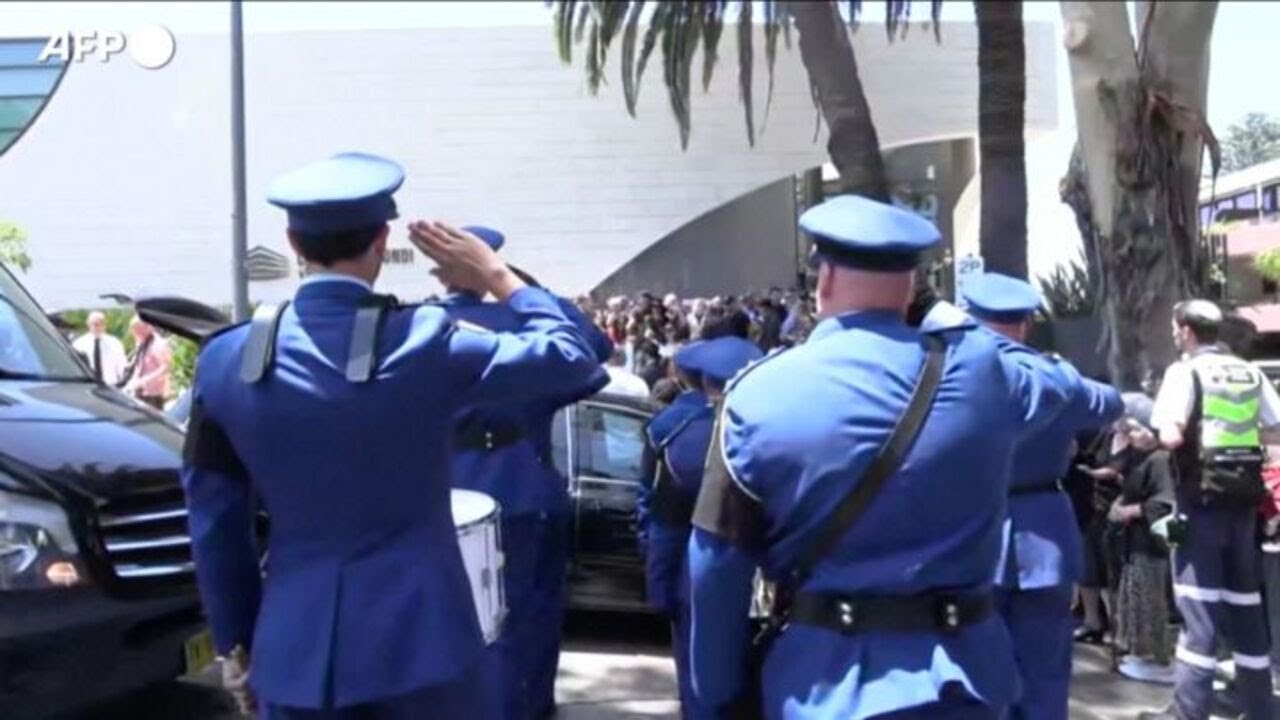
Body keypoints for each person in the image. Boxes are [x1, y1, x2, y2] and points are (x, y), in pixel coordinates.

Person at [180, 152, 603, 720]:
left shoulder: (226, 360)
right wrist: (497, 274)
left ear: (293, 243)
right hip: (426, 644)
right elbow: (574, 356)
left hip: (293, 649)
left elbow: (215, 523)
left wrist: (239, 640)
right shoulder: (426, 341)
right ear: (382, 241)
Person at [686, 195, 1082, 720]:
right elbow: (1071, 389)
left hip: (825, 687)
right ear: (913, 284)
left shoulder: (759, 394)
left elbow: (715, 566)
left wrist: (716, 692)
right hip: (969, 682)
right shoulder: (988, 376)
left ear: (822, 281)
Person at [436, 224, 612, 720]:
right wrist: (518, 286)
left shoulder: (422, 324)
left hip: (445, 495)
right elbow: (592, 348)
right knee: (529, 625)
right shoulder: (524, 325)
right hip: (524, 491)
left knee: (450, 629)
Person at [959, 272, 1124, 720]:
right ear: (1027, 325)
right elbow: (1111, 402)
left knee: (975, 671)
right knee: (1046, 673)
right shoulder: (1053, 378)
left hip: (973, 535)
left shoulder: (951, 378)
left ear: (970, 319)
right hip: (1044, 537)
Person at [1141, 299, 1279, 720]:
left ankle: (1188, 711)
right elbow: (1273, 427)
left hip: (1198, 505)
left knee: (1197, 607)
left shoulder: (1184, 372)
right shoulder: (1248, 371)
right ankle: (1261, 708)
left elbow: (1169, 436)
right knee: (1246, 607)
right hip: (1242, 507)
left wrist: (1151, 436)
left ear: (1185, 330)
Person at [639, 337, 761, 717]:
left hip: (691, 568)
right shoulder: (769, 425)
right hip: (763, 568)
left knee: (698, 678)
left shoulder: (669, 429)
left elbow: (656, 510)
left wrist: (657, 581)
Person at [1107, 394, 1176, 685]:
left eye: (1136, 429)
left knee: (1149, 600)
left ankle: (1155, 658)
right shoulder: (1139, 457)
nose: (1131, 435)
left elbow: (1164, 502)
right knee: (1133, 597)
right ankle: (1138, 651)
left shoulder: (1160, 459)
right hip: (1133, 542)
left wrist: (1127, 511)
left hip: (1151, 543)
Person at [123, 316, 172, 409]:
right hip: (139, 391)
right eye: (134, 330)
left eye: (137, 329)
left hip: (153, 394)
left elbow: (164, 367)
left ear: (146, 327)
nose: (135, 333)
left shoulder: (159, 344)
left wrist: (145, 380)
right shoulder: (142, 342)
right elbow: (140, 365)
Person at [72, 311, 127, 385]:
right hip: (89, 385)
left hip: (111, 385)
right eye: (93, 324)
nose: (95, 327)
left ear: (104, 325)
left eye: (99, 324)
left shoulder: (115, 343)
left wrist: (123, 382)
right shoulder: (79, 344)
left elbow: (122, 366)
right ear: (88, 324)